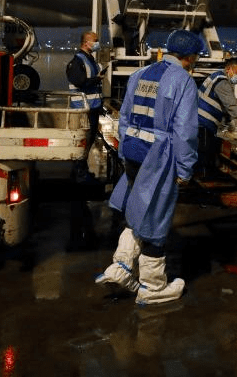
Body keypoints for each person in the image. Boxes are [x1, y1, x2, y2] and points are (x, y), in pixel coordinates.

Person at [95, 29, 201, 305]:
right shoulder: (183, 82)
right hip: (158, 157)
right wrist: (185, 168)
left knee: (137, 208)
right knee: (155, 217)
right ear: (190, 57)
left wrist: (125, 151)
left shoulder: (139, 75)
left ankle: (121, 265)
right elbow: (185, 131)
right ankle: (152, 287)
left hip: (132, 152)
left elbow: (125, 116)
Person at [197, 57, 237, 173]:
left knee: (207, 155)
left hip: (200, 123)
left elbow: (224, 105)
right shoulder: (222, 82)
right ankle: (206, 181)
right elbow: (232, 106)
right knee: (205, 160)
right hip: (202, 125)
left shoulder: (217, 77)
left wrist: (229, 123)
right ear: (229, 69)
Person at [66, 31, 104, 154]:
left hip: (93, 107)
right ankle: (79, 170)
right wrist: (97, 79)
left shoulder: (90, 59)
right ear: (86, 43)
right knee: (83, 141)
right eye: (95, 40)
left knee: (90, 138)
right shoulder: (78, 61)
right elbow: (79, 82)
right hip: (83, 108)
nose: (97, 43)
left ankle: (82, 168)